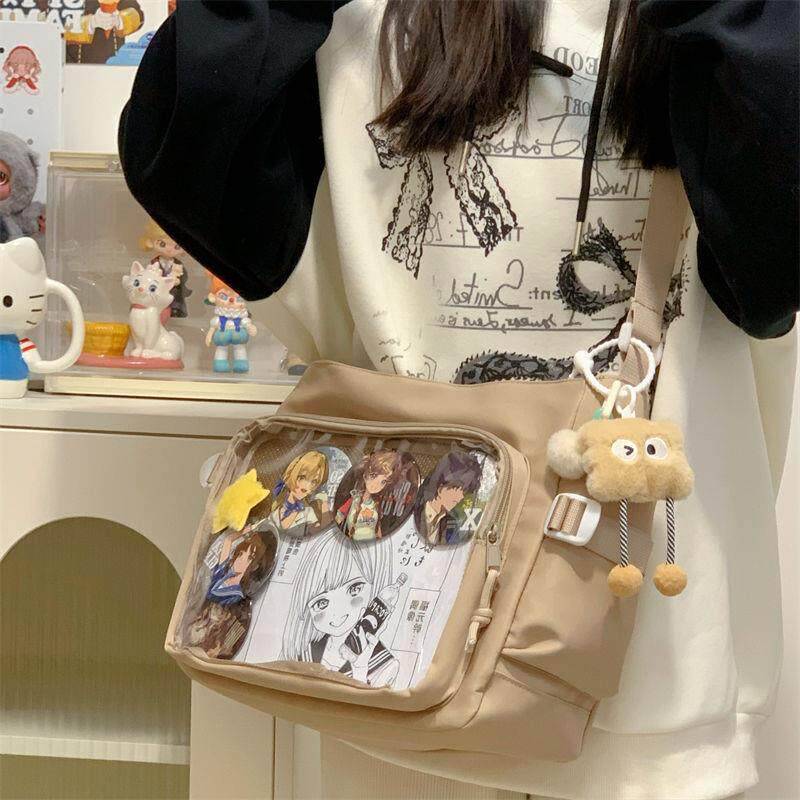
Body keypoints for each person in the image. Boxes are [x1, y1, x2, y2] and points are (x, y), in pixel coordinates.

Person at [120, 2, 798, 798]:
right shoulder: (360, 21)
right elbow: (185, 158)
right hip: (393, 674)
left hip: (651, 692)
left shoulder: (729, 26)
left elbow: (772, 277)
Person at [281, 529, 399, 687]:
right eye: (321, 603)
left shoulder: (384, 665)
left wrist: (360, 670)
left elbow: (363, 703)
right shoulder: (305, 652)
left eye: (355, 589)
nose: (337, 612)